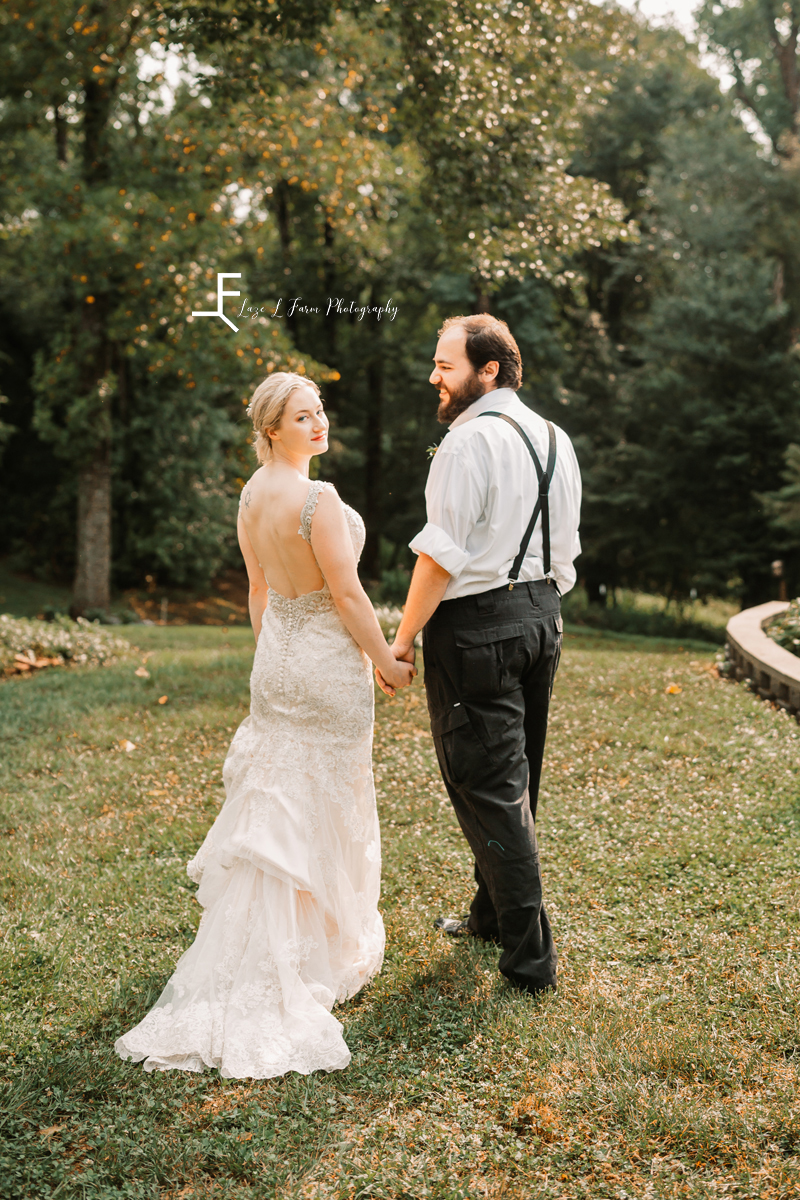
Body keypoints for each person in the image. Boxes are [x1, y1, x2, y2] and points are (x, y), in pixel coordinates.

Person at [116, 372, 414, 1078]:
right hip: (325, 669)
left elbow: (259, 590)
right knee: (328, 800)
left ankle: (288, 939)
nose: (319, 424)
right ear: (273, 428)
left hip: (276, 661)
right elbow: (346, 593)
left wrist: (271, 660)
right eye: (303, 416)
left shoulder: (252, 492)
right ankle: (318, 951)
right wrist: (387, 662)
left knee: (279, 802)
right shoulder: (319, 500)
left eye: (321, 412)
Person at [378, 315, 581, 996]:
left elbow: (438, 558)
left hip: (477, 628)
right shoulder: (557, 439)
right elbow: (568, 552)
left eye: (445, 365)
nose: (434, 377)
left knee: (487, 785)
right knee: (514, 783)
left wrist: (401, 643)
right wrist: (539, 611)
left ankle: (531, 964)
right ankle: (489, 917)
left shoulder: (467, 443)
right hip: (542, 618)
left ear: (487, 370)